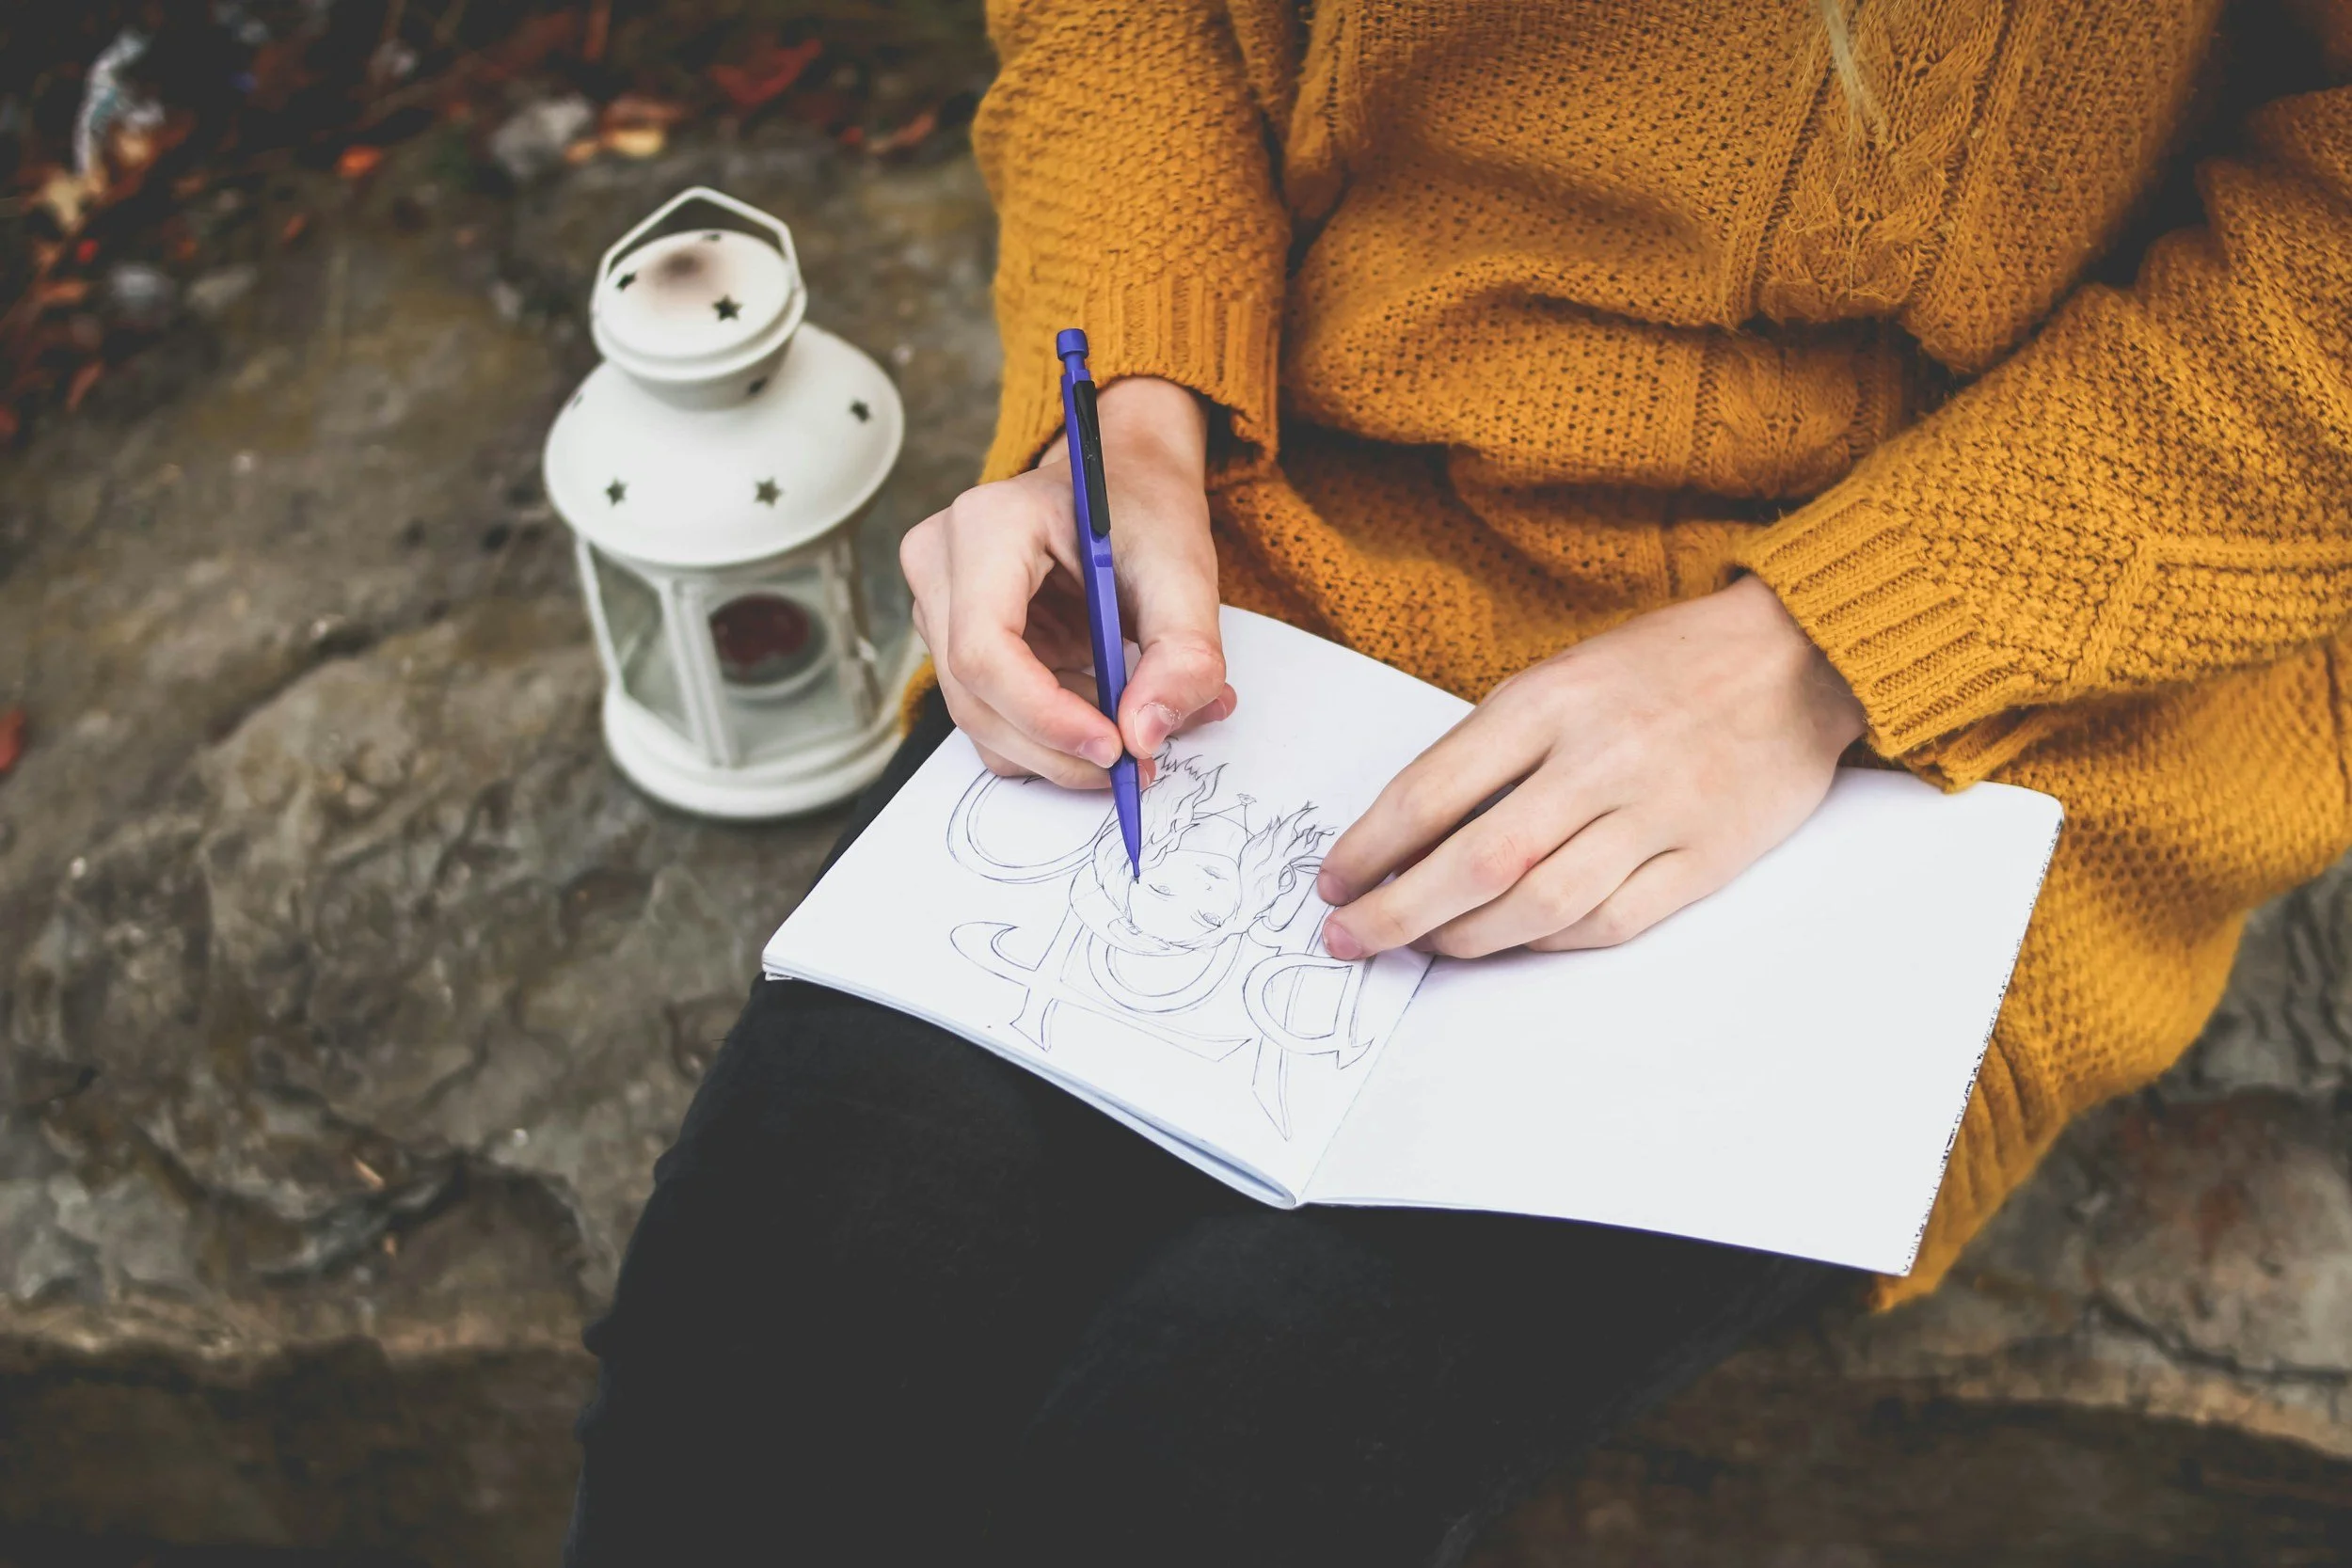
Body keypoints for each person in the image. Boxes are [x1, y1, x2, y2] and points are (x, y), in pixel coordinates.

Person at [565, 3, 2352, 1562]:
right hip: (1280, 533)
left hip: (1981, 647)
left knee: (1201, 1467)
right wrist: (1133, 399)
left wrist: (1821, 653)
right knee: (753, 1382)